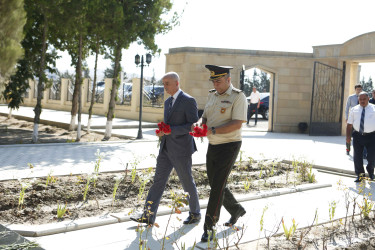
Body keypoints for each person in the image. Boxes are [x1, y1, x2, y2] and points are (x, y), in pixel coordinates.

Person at [130, 72, 201, 225]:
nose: (164, 87)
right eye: (163, 83)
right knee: (158, 182)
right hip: (166, 149)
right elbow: (169, 124)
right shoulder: (168, 102)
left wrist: (171, 130)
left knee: (187, 182)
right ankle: (148, 215)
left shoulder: (189, 101)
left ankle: (195, 213)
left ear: (176, 83)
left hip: (181, 150)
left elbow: (192, 126)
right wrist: (163, 131)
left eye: (167, 83)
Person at [195, 65, 247, 242]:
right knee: (216, 183)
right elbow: (205, 116)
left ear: (228, 80)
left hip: (229, 145)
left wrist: (212, 130)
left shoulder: (238, 97)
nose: (215, 84)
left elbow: (237, 123)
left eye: (218, 81)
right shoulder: (212, 95)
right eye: (213, 81)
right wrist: (200, 124)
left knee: (217, 187)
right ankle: (236, 210)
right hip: (213, 145)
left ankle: (209, 227)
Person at [346, 91, 375, 182]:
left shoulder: (374, 109)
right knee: (357, 156)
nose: (362, 101)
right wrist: (348, 137)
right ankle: (360, 175)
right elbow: (349, 124)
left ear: (368, 99)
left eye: (364, 99)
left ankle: (370, 171)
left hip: (372, 136)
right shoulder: (354, 109)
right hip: (358, 135)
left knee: (372, 157)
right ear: (358, 99)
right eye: (360, 99)